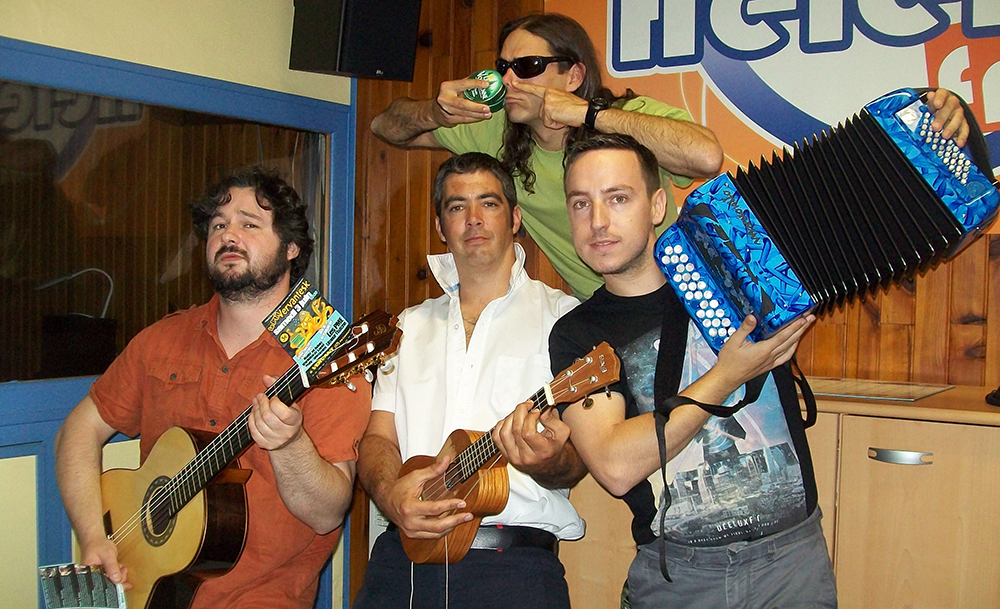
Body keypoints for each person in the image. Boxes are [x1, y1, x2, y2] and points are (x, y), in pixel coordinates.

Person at [53, 166, 371, 609]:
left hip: (261, 598)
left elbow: (326, 514)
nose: (229, 235)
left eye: (249, 224)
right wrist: (94, 538)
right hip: (147, 587)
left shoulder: (327, 355)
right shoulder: (161, 340)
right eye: (218, 225)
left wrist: (289, 443)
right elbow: (78, 430)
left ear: (292, 247)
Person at [354, 153, 587, 609]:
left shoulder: (564, 319)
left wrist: (548, 459)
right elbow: (378, 438)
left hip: (513, 570)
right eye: (457, 206)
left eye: (489, 203)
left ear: (515, 218)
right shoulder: (407, 327)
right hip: (400, 563)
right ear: (441, 227)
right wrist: (389, 494)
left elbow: (577, 462)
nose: (473, 218)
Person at [370, 12, 723, 299]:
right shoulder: (494, 128)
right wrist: (434, 111)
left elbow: (706, 157)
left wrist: (587, 114)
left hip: (686, 292)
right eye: (503, 67)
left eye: (528, 66)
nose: (508, 80)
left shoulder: (623, 117)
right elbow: (384, 126)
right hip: (606, 313)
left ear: (573, 75)